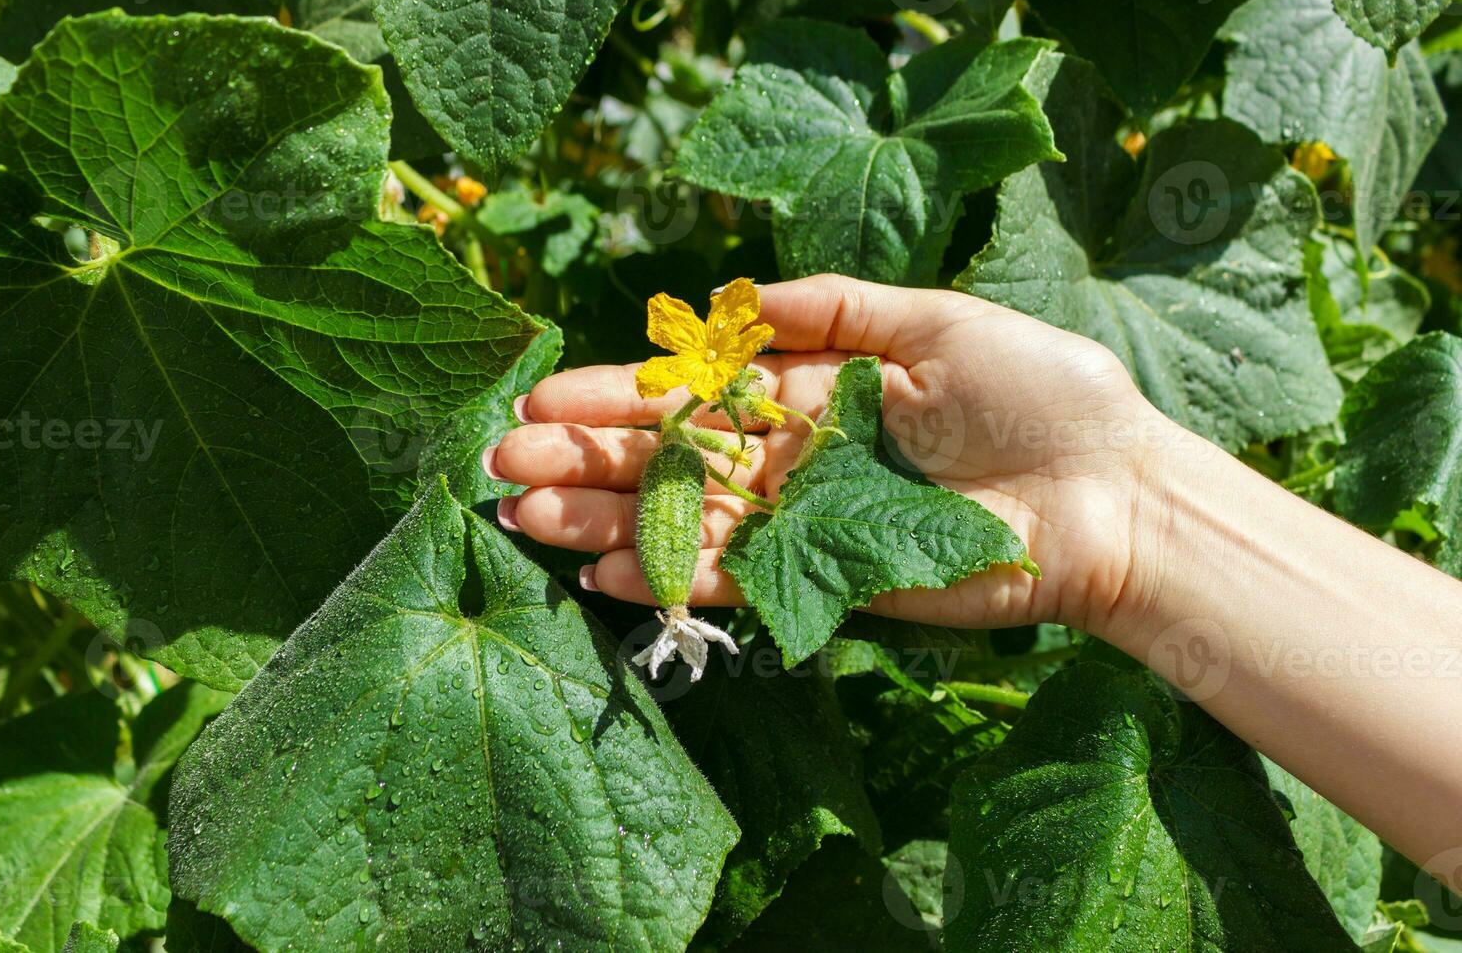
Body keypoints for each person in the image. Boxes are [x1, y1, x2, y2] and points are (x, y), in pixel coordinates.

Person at [481, 273, 1462, 886]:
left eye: (715, 343)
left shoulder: (751, 379)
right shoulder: (699, 421)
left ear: (734, 343)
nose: (704, 351)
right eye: (693, 347)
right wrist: (1126, 513)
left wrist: (1116, 494)